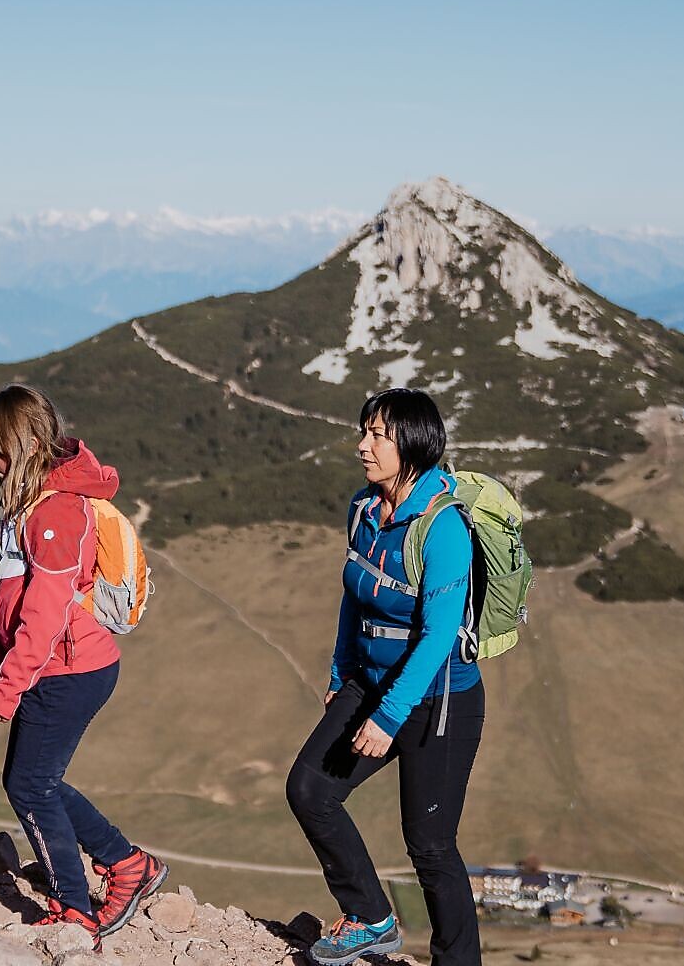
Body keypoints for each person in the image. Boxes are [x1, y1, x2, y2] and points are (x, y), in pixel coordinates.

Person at [287, 388, 485, 966]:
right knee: (309, 790)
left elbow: (439, 636)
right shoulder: (364, 510)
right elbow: (354, 596)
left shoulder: (442, 528)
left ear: (412, 445)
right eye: (365, 432)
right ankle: (372, 918)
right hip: (369, 683)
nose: (363, 446)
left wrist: (388, 716)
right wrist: (341, 670)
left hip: (436, 700)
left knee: (430, 847)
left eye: (377, 435)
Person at [0, 384, 167, 941]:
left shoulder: (54, 511)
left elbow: (46, 610)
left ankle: (74, 906)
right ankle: (126, 864)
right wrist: (0, 667)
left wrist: (8, 685)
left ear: (27, 444)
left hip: (69, 669)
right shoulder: (34, 502)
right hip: (56, 665)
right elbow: (12, 599)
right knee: (36, 781)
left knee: (30, 786)